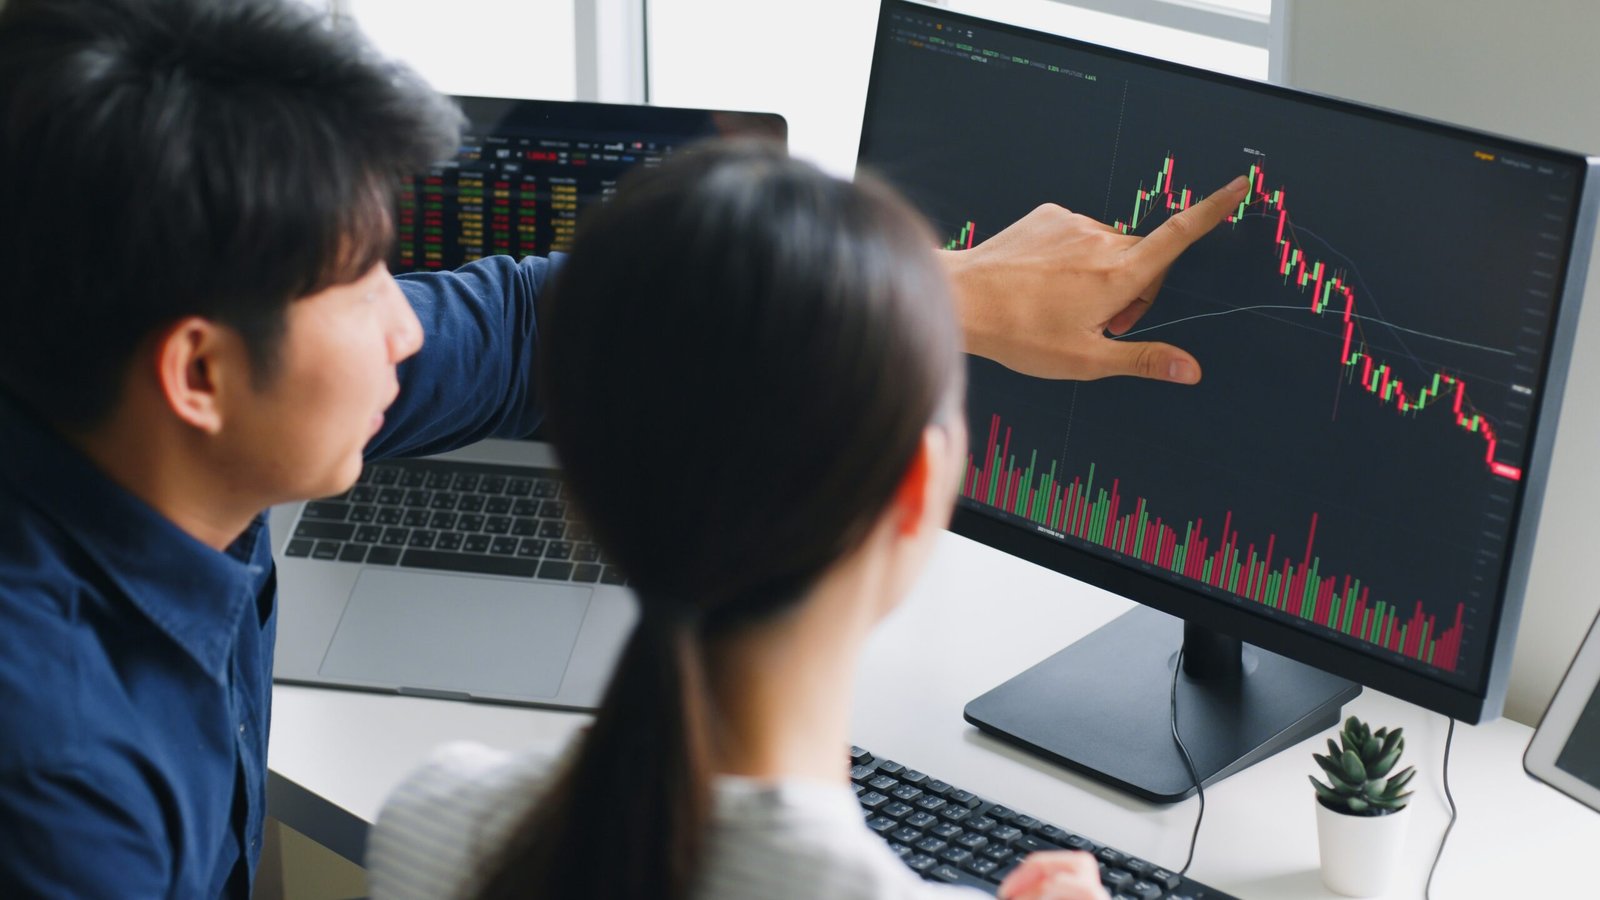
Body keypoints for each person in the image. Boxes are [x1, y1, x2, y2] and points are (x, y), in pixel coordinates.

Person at [0, 0, 1246, 895]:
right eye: (361, 278)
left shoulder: (127, 426)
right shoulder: (57, 785)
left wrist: (937, 290)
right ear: (200, 373)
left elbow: (543, 317)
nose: (407, 320)